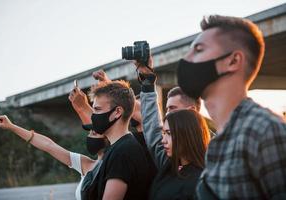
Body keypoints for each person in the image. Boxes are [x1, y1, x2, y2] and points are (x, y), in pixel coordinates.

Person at [177, 15, 286, 199]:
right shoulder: (219, 141)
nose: (186, 59)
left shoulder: (264, 130)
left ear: (233, 61)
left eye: (198, 50)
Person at [134, 59, 210, 199]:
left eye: (172, 109)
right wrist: (147, 82)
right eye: (167, 109)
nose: (167, 114)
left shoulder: (216, 158)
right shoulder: (171, 163)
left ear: (191, 112)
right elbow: (154, 131)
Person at [0, 116, 108, 200]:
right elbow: (49, 146)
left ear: (108, 137)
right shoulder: (86, 163)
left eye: (94, 134)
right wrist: (12, 127)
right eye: (89, 133)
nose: (89, 136)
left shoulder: (113, 165)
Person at [89, 80, 152, 199]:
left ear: (117, 112)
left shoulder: (123, 152)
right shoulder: (118, 147)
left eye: (97, 109)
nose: (93, 115)